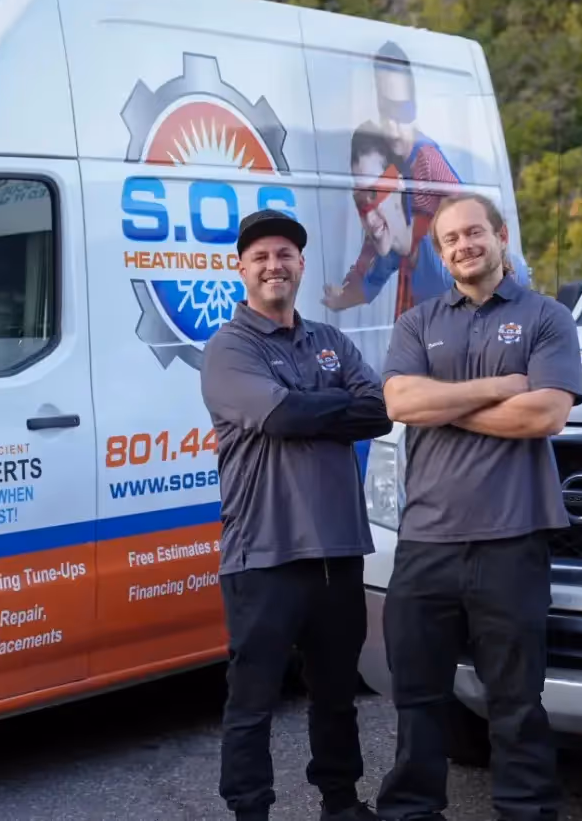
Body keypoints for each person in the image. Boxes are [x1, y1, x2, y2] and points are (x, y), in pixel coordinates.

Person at [374, 193, 582, 821]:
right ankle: (412, 810)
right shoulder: (417, 322)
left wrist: (444, 402)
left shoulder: (547, 318)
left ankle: (526, 810)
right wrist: (498, 386)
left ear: (500, 236)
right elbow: (400, 403)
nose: (463, 246)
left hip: (511, 539)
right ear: (441, 254)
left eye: (474, 233)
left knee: (516, 701)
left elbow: (545, 413)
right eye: (450, 241)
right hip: (426, 542)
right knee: (417, 697)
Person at [200, 208, 395, 821]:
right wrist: (327, 407)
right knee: (252, 699)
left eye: (284, 254)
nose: (273, 265)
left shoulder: (332, 342)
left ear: (301, 265)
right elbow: (281, 417)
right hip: (264, 552)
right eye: (259, 257)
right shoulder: (228, 348)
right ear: (241, 270)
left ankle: (341, 802)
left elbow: (381, 411)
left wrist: (309, 407)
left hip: (338, 549)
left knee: (337, 695)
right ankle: (250, 811)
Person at [323, 123, 452, 317]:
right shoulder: (392, 252)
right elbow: (368, 287)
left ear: (399, 185)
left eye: (374, 195)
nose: (369, 216)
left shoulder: (442, 255)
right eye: (360, 201)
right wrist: (336, 299)